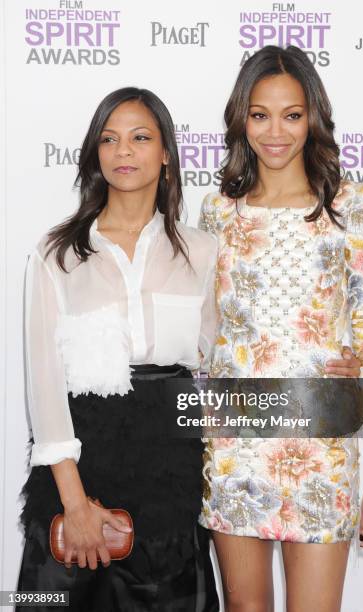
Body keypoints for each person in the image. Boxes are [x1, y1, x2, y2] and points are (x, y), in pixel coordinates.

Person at [198, 45, 363, 612]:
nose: (275, 131)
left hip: (320, 445)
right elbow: (205, 332)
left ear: (313, 116)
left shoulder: (351, 206)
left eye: (292, 114)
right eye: (260, 114)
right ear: (242, 119)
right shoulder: (218, 213)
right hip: (236, 444)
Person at [18, 87, 220, 612]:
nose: (123, 151)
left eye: (140, 137)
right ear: (95, 153)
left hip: (171, 471)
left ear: (166, 154)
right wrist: (75, 503)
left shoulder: (203, 251)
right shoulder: (56, 254)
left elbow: (226, 357)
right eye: (109, 139)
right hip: (80, 468)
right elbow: (44, 385)